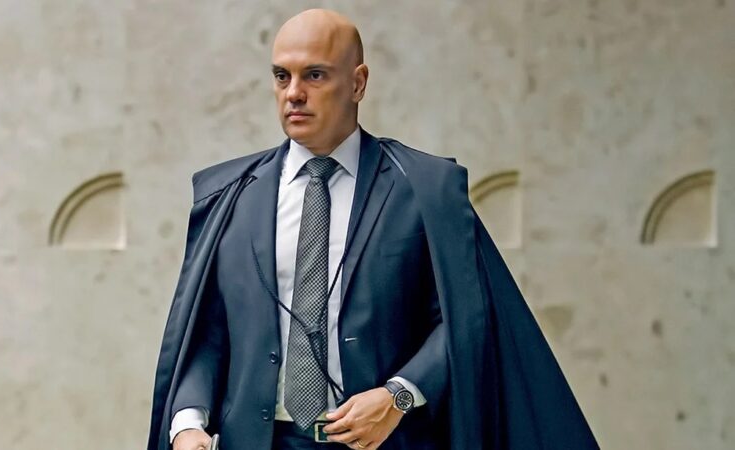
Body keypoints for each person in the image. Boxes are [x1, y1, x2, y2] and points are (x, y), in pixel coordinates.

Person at [147, 8, 599, 450]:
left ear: (358, 83)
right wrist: (187, 424)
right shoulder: (230, 196)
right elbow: (206, 333)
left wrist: (399, 395)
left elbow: (466, 316)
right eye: (282, 76)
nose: (294, 93)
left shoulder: (425, 189)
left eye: (315, 75)